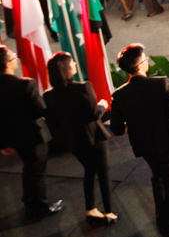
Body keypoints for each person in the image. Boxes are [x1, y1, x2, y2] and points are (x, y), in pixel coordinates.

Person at [110, 44, 169, 237]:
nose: (147, 62)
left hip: (143, 145)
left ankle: (162, 220)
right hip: (167, 142)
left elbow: (117, 129)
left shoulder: (119, 94)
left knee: (158, 178)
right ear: (139, 66)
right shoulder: (161, 83)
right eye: (145, 60)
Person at [44, 52, 115, 224]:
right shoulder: (83, 87)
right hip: (95, 138)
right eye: (72, 63)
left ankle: (91, 208)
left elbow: (53, 123)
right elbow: (93, 115)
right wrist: (102, 106)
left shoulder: (48, 96)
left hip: (74, 142)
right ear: (67, 69)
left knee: (89, 171)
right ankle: (109, 211)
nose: (75, 64)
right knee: (103, 174)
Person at [0, 46, 64, 220]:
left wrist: (4, 142)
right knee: (36, 171)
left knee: (29, 169)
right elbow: (40, 110)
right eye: (13, 55)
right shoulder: (25, 84)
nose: (16, 57)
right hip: (34, 136)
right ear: (7, 63)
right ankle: (39, 207)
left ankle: (29, 200)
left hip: (13, 137)